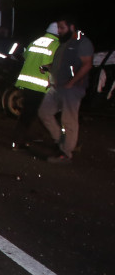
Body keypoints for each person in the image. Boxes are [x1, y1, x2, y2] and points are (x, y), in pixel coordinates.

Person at [36, 16, 93, 164]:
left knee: (68, 120)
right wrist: (48, 67)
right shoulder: (64, 43)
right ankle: (62, 142)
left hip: (72, 89)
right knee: (44, 112)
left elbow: (87, 64)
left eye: (62, 28)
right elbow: (61, 64)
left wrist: (71, 82)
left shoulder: (82, 43)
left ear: (72, 27)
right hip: (57, 87)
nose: (59, 31)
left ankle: (66, 154)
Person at [12, 22, 60, 145]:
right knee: (43, 113)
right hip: (42, 84)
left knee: (28, 112)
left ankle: (20, 139)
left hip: (27, 81)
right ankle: (59, 141)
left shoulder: (36, 41)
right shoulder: (56, 45)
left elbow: (25, 56)